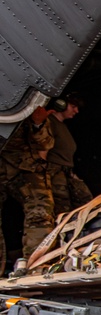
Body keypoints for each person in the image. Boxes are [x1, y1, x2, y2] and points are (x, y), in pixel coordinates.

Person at [0, 100, 59, 266]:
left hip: (24, 166)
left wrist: (38, 123)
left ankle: (37, 265)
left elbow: (46, 143)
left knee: (40, 212)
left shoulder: (23, 103)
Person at [46, 94, 94, 216]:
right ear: (61, 104)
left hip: (67, 172)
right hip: (54, 172)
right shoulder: (49, 122)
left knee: (86, 201)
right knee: (62, 209)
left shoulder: (62, 125)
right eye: (73, 106)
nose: (76, 111)